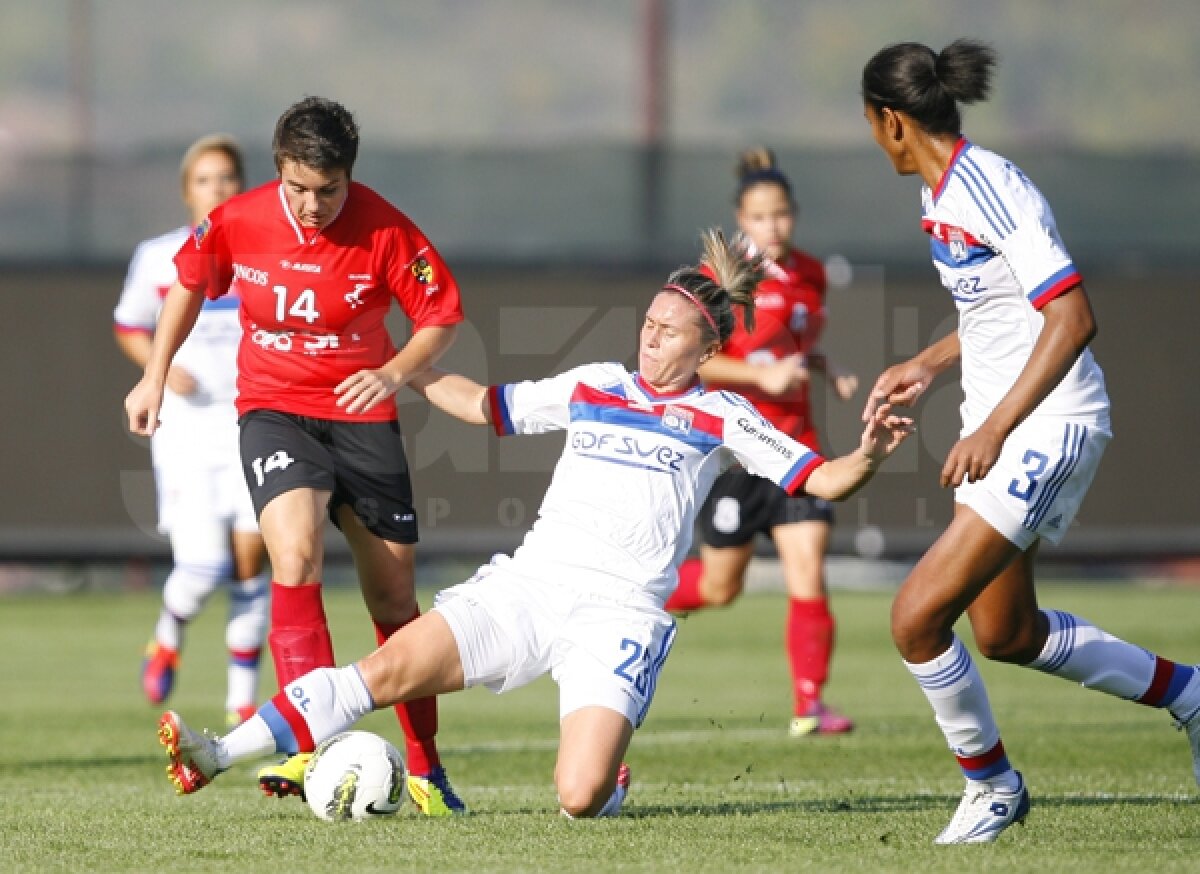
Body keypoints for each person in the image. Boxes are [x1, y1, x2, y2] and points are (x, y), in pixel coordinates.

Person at [154, 229, 915, 818]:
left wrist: (870, 452)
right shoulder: (596, 385)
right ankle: (214, 753)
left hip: (619, 613)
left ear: (710, 347)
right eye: (647, 322)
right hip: (531, 584)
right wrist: (400, 368)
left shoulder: (724, 415)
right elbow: (485, 405)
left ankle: (608, 770)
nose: (650, 337)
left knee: (579, 799)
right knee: (379, 673)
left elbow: (824, 477)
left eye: (670, 330)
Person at [859, 38, 1200, 844]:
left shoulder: (989, 187)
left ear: (892, 121)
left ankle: (993, 787)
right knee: (1007, 633)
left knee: (914, 618)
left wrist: (993, 428)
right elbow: (1001, 309)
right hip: (1009, 423)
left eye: (871, 125)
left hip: (1049, 424)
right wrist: (931, 362)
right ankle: (1190, 695)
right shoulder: (940, 194)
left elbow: (1073, 317)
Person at [125, 97, 467, 816]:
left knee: (396, 602)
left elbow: (440, 316)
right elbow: (189, 282)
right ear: (279, 170)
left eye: (328, 190)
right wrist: (155, 372)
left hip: (364, 418)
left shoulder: (386, 228)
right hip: (275, 413)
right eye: (298, 188)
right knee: (295, 556)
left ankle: (428, 769)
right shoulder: (240, 218)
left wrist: (396, 371)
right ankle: (306, 746)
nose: (312, 205)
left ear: (350, 176)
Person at [664, 148, 860, 737]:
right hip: (738, 453)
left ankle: (810, 704)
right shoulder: (719, 284)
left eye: (781, 215)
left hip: (797, 447)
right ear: (739, 220)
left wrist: (827, 367)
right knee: (721, 587)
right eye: (759, 217)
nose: (772, 226)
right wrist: (761, 379)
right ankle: (633, 597)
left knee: (809, 569)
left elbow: (795, 347)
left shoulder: (811, 274)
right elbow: (691, 365)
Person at [114, 134, 269, 728]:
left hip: (252, 425)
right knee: (203, 567)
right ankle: (168, 632)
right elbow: (128, 325)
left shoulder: (260, 254)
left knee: (253, 566)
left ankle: (241, 703)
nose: (218, 188)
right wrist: (160, 366)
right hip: (185, 432)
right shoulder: (159, 258)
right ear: (187, 191)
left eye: (227, 177)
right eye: (205, 179)